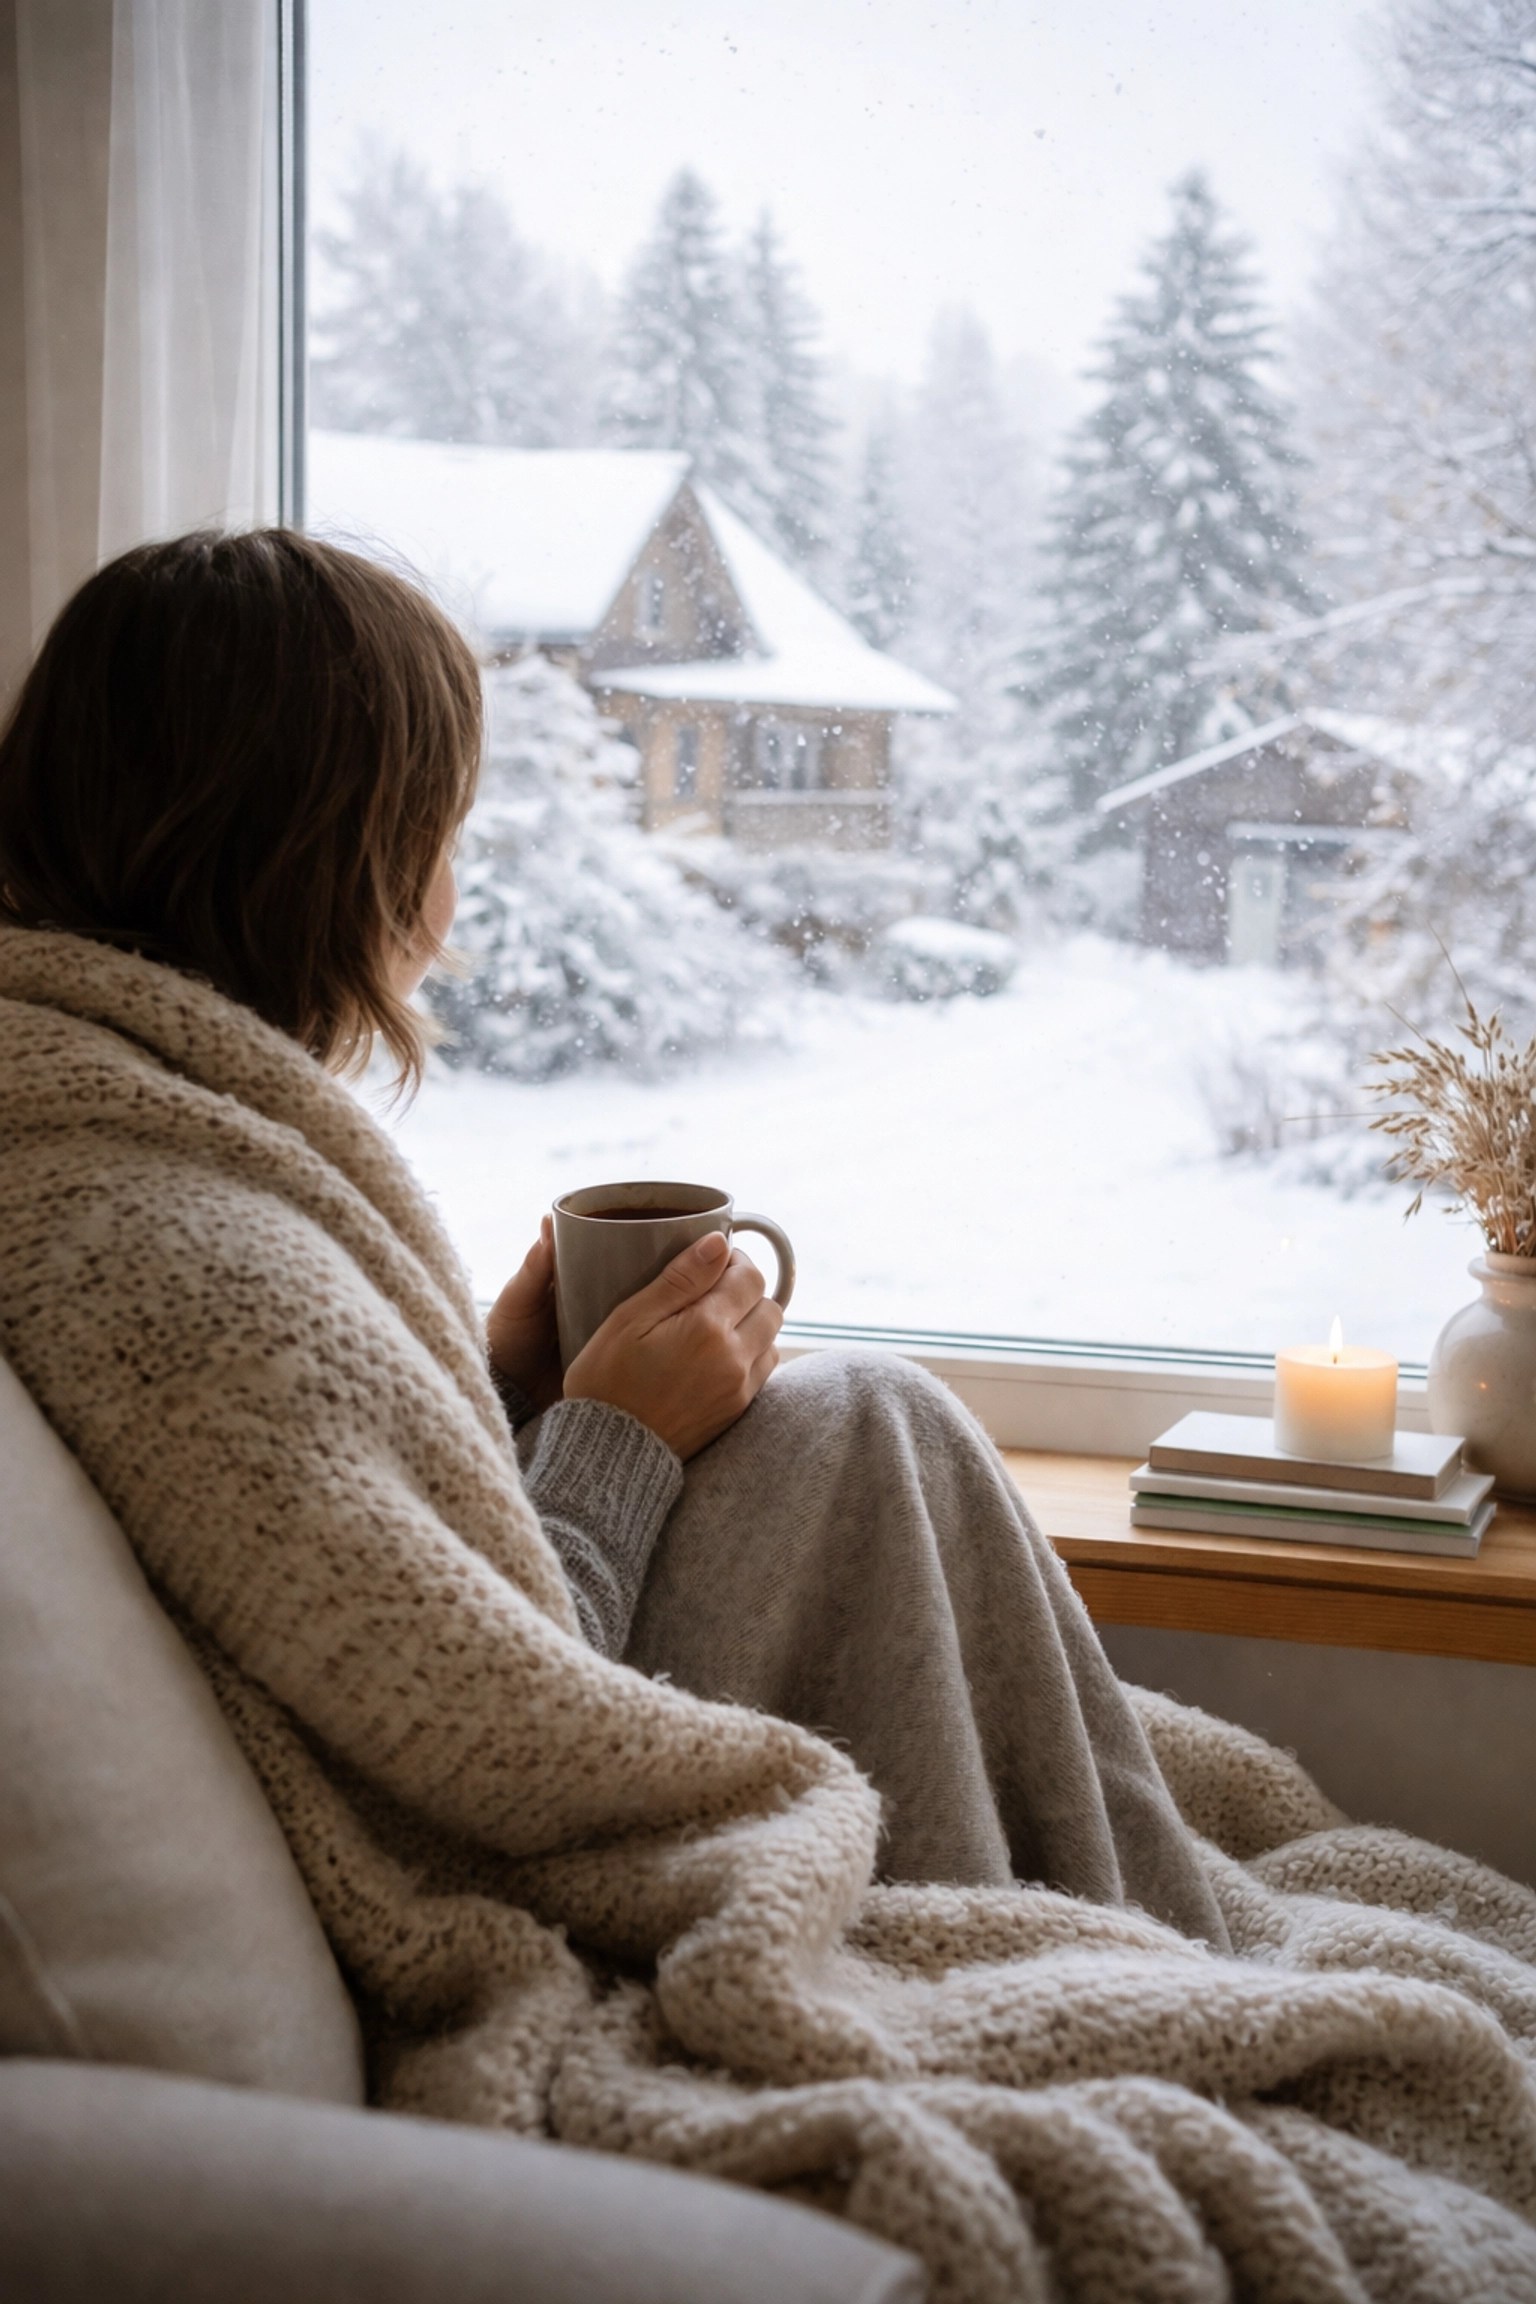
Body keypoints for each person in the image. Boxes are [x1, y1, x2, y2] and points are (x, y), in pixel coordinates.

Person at [6, 533, 1536, 2303]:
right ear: (322, 831)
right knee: (866, 1422)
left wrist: (497, 1391)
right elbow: (488, 1733)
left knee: (863, 1418)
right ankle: (1142, 1951)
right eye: (443, 819)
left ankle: (1150, 1928)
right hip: (508, 1887)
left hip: (517, 1716)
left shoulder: (134, 1143)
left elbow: (338, 1563)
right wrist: (613, 1438)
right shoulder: (172, 1244)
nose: (450, 884)